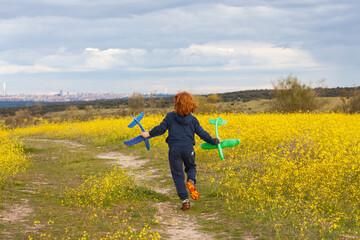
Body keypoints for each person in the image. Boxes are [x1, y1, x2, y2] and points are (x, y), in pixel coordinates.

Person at [141, 91, 220, 210]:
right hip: (188, 149)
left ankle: (185, 200)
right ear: (191, 104)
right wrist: (214, 141)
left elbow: (161, 129)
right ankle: (191, 181)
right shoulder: (193, 120)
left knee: (178, 175)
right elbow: (202, 134)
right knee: (191, 167)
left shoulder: (170, 116)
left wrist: (148, 134)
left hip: (174, 150)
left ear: (176, 104)